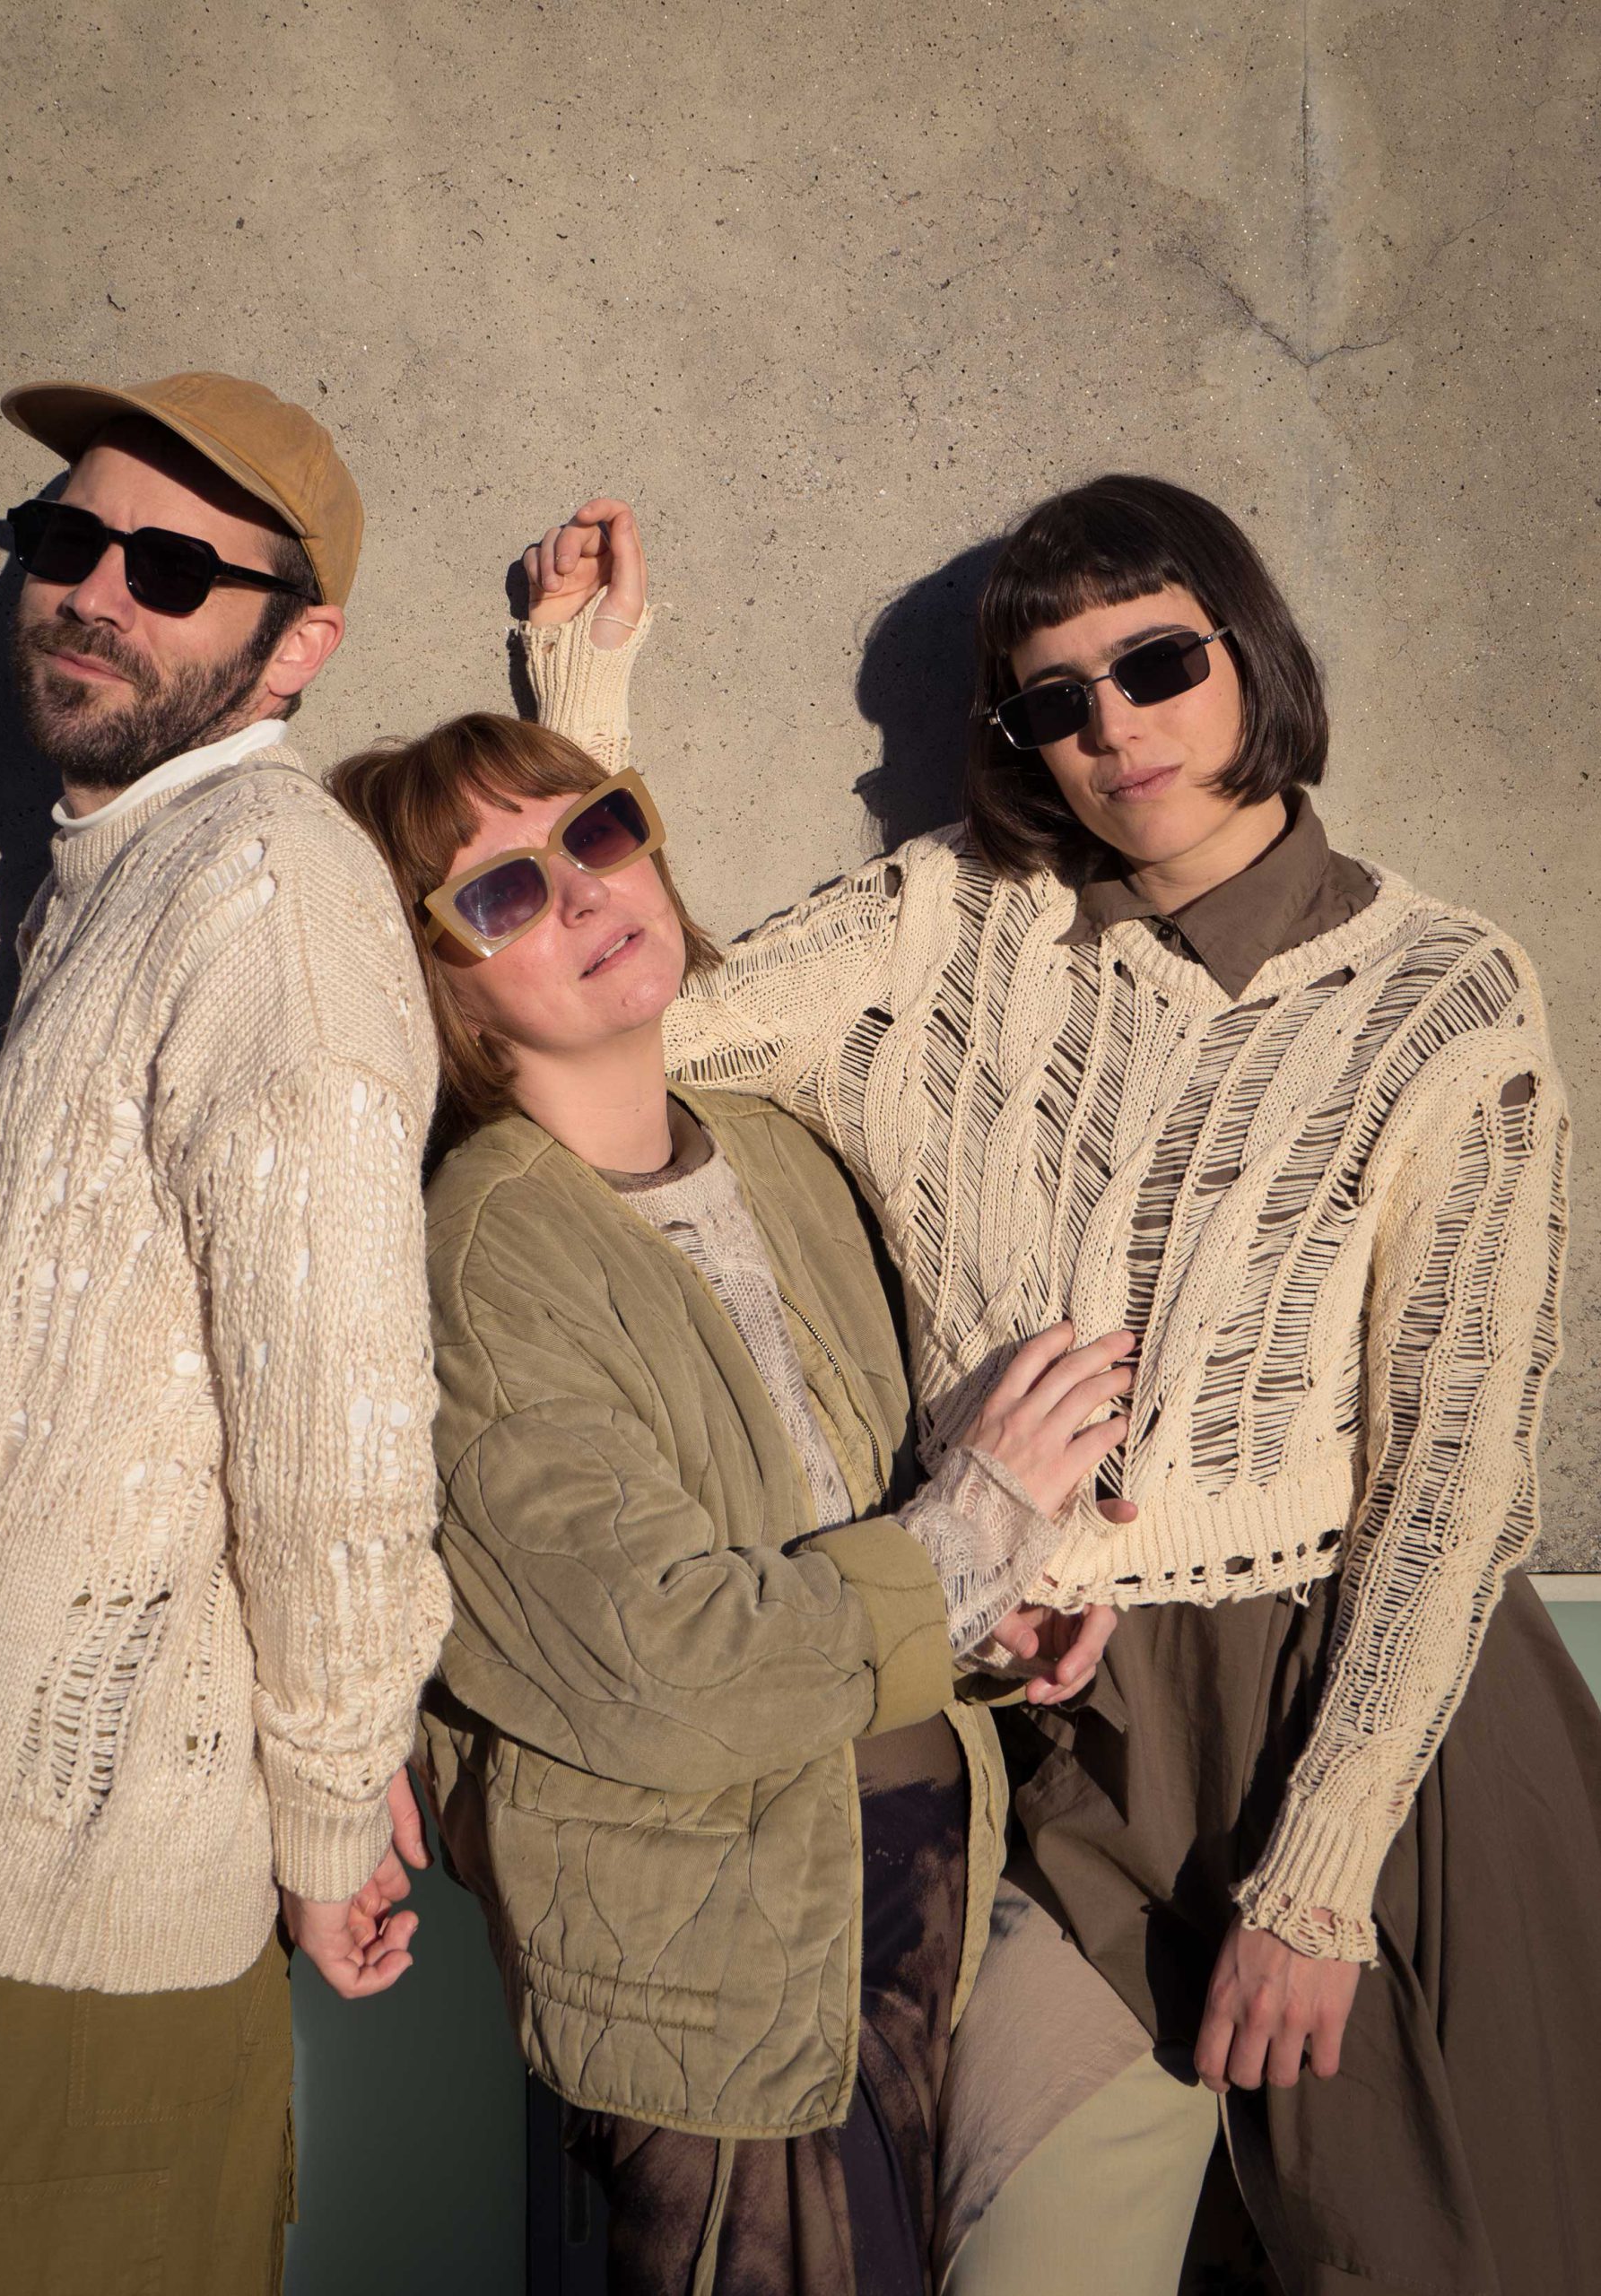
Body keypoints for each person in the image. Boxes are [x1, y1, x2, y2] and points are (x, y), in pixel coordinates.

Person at [518, 480, 1601, 2296]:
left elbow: (1454, 1482)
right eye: (1053, 699)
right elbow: (640, 1035)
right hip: (1066, 1746)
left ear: (1250, 656)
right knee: (1020, 2255)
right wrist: (582, 711)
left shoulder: (1442, 997)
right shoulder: (950, 922)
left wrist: (1315, 1883)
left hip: (1375, 1746)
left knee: (1417, 2256)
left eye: (1156, 665)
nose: (1113, 727)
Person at [0, 371, 450, 2295]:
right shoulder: (118, 875)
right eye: (67, 539)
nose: (94, 591)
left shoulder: (264, 894)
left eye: (172, 568)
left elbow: (339, 1433)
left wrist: (330, 1808)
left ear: (296, 647)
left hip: (28, 1943)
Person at [331, 693, 1136, 2296]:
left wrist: (992, 1613)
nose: (580, 891)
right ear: (442, 987)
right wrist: (971, 1535)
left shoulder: (778, 1150)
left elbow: (854, 1510)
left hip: (923, 1878)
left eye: (597, 830)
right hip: (714, 1947)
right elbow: (659, 1666)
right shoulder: (485, 1254)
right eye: (500, 893)